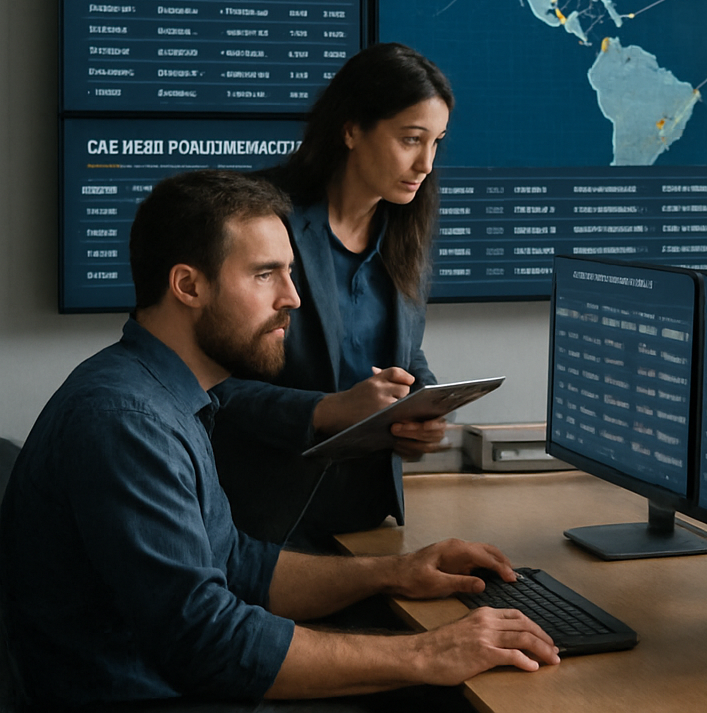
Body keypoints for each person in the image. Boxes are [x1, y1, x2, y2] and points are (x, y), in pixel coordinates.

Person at [0, 170, 558, 709]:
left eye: (291, 273)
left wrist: (395, 571)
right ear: (188, 286)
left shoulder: (173, 396)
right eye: (266, 274)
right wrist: (427, 652)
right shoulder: (127, 420)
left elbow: (236, 564)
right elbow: (207, 642)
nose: (293, 297)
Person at [212, 43, 454, 546]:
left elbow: (403, 352)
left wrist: (422, 408)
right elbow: (203, 383)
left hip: (368, 520)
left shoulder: (407, 228)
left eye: (436, 142)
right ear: (350, 129)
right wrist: (326, 410)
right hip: (262, 523)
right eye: (411, 139)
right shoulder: (255, 217)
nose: (426, 163)